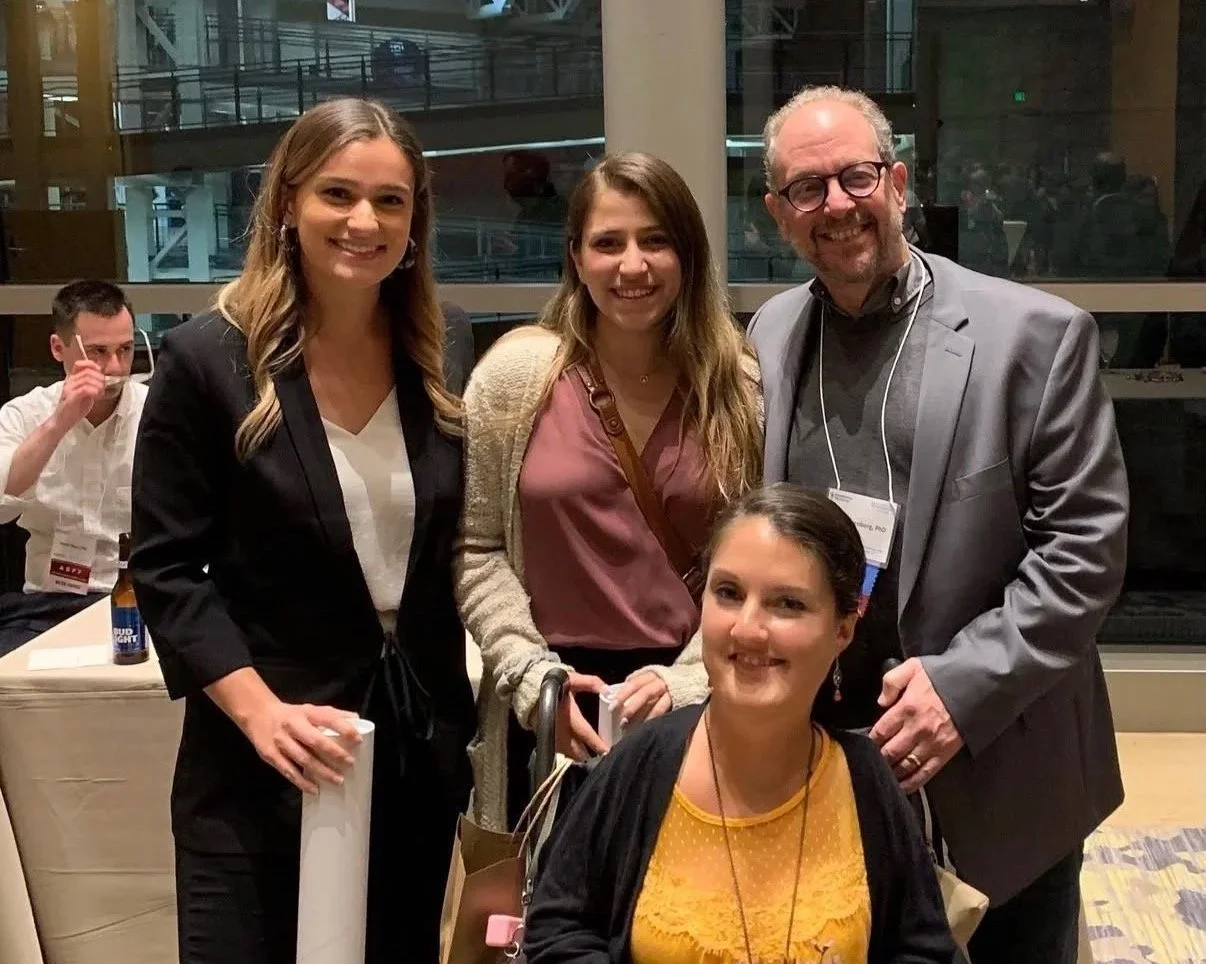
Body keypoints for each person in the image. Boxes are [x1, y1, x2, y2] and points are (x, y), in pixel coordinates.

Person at [748, 85, 1129, 963]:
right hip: (829, 755)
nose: (836, 206)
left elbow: (1084, 552)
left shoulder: (1032, 336)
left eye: (856, 177)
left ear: (899, 182)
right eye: (807, 189)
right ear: (777, 213)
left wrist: (964, 688)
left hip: (1000, 761)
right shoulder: (770, 333)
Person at [128, 98, 476, 964]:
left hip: (410, 753)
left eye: (391, 201)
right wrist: (261, 716)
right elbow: (167, 569)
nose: (364, 222)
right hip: (261, 756)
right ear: (287, 204)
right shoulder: (208, 359)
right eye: (338, 194)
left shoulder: (446, 348)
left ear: (415, 220)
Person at [456, 151, 763, 830]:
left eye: (656, 241)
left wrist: (688, 682)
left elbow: (758, 570)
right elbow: (477, 548)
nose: (632, 266)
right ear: (576, 256)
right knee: (545, 923)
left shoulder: (736, 391)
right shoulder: (514, 381)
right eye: (608, 243)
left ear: (688, 255)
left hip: (692, 704)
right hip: (549, 706)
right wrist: (534, 679)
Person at [523, 484, 957, 964]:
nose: (748, 629)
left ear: (843, 629)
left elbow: (924, 951)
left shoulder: (868, 787)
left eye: (787, 604)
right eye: (728, 593)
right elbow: (557, 929)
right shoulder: (637, 768)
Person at [0, 280, 147, 656]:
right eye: (98, 352)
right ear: (58, 348)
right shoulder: (25, 414)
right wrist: (59, 422)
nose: (115, 367)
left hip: (145, 596)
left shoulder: (159, 411)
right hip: (48, 603)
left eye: (125, 350)